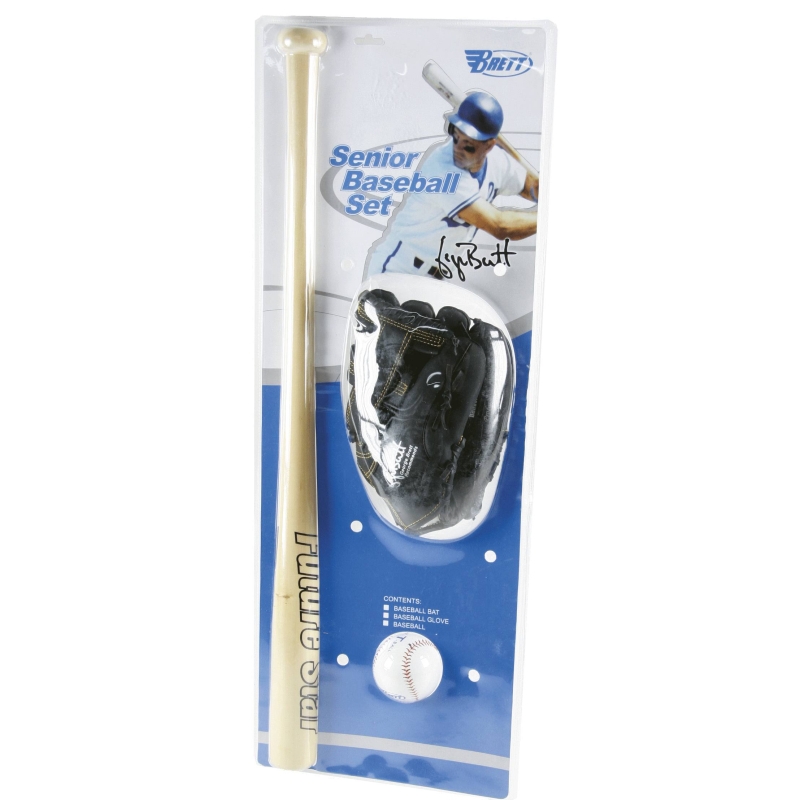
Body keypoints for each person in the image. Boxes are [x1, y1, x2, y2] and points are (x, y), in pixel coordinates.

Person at [366, 91, 538, 279]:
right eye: (456, 137)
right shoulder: (442, 168)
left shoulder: (498, 161)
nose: (458, 148)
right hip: (398, 269)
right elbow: (500, 227)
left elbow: (530, 187)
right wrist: (548, 217)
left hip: (437, 278)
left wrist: (543, 191)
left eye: (468, 145)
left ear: (489, 146)